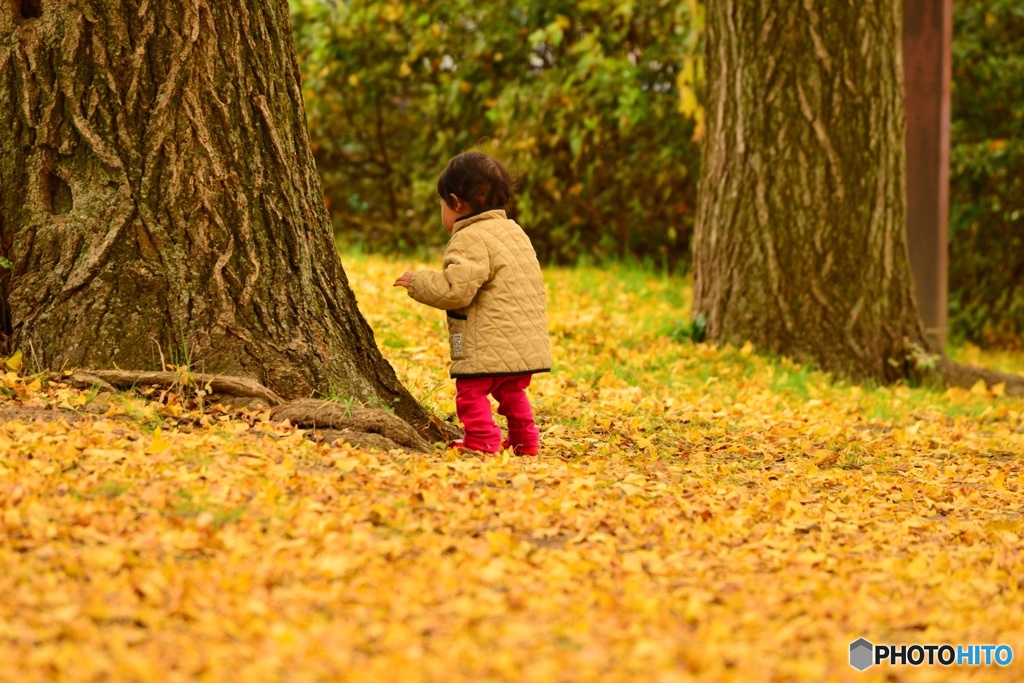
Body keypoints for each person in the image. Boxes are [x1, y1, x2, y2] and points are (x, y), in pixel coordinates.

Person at [393, 152, 551, 455]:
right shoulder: (515, 232)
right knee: (512, 392)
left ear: (456, 202)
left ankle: (482, 441)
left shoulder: (470, 238)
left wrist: (418, 282)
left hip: (486, 341)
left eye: (441, 204)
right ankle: (525, 441)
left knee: (470, 393)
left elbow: (456, 291)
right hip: (524, 342)